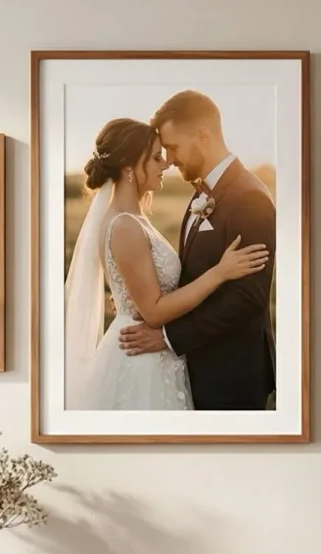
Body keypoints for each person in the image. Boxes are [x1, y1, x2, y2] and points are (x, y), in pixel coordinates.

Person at [63, 119, 268, 410]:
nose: (166, 164)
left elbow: (143, 290)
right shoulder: (124, 225)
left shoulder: (132, 219)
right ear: (129, 168)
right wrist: (219, 273)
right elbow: (155, 312)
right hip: (141, 361)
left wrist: (131, 297)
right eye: (157, 157)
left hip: (154, 354)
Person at [119, 91, 277, 411]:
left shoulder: (249, 197)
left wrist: (168, 337)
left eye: (173, 148)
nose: (171, 160)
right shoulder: (203, 192)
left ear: (202, 134)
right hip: (198, 372)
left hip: (231, 377)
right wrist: (145, 294)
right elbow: (197, 272)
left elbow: (248, 298)